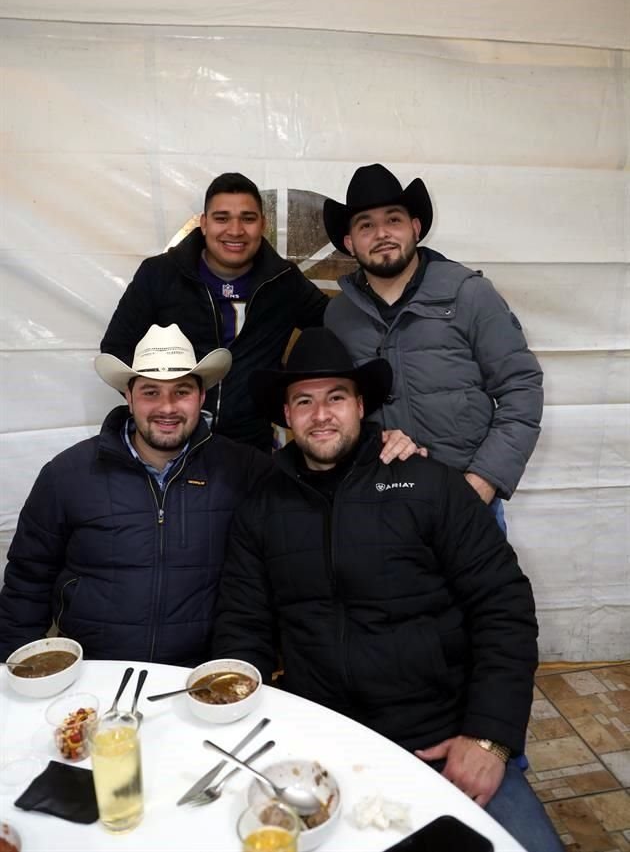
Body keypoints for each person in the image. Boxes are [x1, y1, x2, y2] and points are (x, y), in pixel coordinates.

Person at [212, 327, 562, 852]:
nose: (321, 414)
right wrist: (246, 724)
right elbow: (243, 627)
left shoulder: (429, 485)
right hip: (323, 743)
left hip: (442, 738)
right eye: (304, 401)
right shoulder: (261, 507)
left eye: (336, 398)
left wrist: (489, 737)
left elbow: (504, 606)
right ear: (286, 416)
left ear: (361, 406)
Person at [0, 324, 271, 666]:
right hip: (93, 675)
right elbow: (28, 579)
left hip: (200, 678)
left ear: (202, 397)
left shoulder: (243, 471)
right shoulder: (67, 475)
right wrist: (11, 674)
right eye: (150, 392)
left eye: (182, 391)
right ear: (128, 397)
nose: (167, 408)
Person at [322, 163, 543, 523]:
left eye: (393, 219)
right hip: (377, 503)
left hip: (466, 500)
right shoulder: (338, 316)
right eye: (365, 225)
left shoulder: (469, 293)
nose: (381, 234)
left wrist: (483, 482)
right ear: (349, 242)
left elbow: (522, 388)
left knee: (482, 582)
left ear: (415, 227)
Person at [101, 172, 329, 452]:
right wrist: (162, 403)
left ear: (263, 225)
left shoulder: (284, 281)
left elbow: (336, 326)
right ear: (204, 224)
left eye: (248, 218)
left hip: (251, 445)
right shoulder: (160, 274)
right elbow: (116, 348)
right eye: (222, 218)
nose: (235, 230)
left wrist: (293, 390)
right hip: (175, 442)